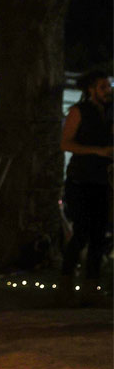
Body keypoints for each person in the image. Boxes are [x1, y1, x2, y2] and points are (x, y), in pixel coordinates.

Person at [60, 69, 113, 297]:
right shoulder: (78, 111)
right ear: (91, 90)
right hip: (81, 180)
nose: (108, 90)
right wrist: (97, 151)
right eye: (103, 86)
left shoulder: (110, 113)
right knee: (81, 233)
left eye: (108, 86)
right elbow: (65, 144)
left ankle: (91, 287)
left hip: (102, 181)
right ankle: (65, 284)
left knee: (99, 235)